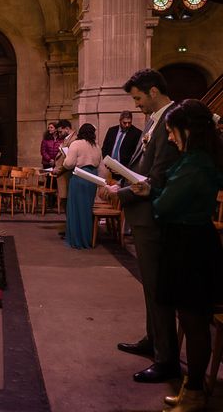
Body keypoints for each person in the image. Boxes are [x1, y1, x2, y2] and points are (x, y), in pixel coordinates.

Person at [130, 99, 223, 411]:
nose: (169, 138)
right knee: (188, 317)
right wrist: (153, 191)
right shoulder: (191, 159)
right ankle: (191, 388)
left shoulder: (197, 163)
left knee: (195, 323)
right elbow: (166, 195)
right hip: (184, 242)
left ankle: (195, 391)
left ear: (188, 130)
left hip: (191, 247)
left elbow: (165, 207)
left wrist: (155, 197)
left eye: (172, 132)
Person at [100, 68, 181, 383]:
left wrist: (120, 192)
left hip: (152, 217)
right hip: (143, 214)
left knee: (158, 289)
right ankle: (153, 339)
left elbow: (157, 175)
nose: (136, 106)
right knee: (150, 287)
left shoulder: (170, 120)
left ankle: (166, 358)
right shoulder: (154, 121)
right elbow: (142, 165)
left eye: (138, 98)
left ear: (154, 92)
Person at [61, 123, 102, 248]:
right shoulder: (96, 146)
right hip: (92, 179)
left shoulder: (76, 144)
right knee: (86, 209)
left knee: (76, 209)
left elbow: (68, 164)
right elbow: (100, 164)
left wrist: (65, 158)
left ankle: (77, 240)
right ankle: (87, 239)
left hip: (79, 177)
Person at [53, 119, 77, 209]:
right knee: (65, 203)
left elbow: (70, 161)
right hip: (63, 175)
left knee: (68, 204)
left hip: (67, 175)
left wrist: (58, 170)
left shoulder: (73, 140)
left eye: (60, 132)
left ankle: (71, 223)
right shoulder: (67, 139)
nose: (59, 135)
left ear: (67, 129)